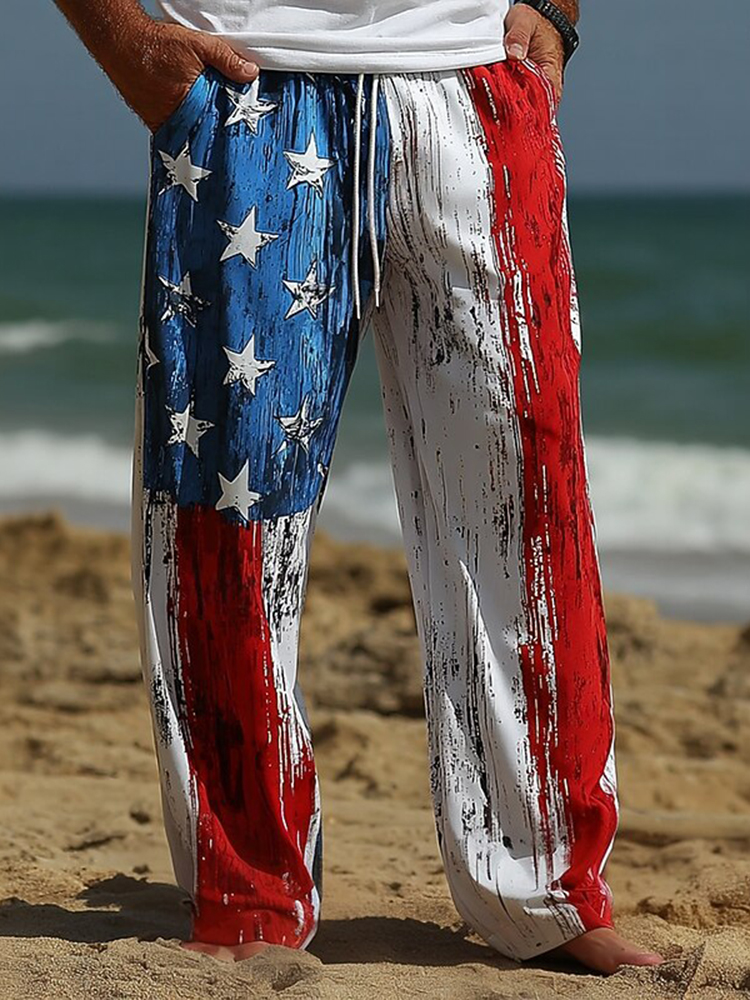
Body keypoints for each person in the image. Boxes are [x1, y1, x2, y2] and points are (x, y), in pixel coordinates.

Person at [54, 0, 665, 975]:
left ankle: (550, 888)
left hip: (476, 78)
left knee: (531, 506)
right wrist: (126, 40)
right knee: (230, 517)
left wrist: (557, 7)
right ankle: (250, 892)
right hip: (251, 79)